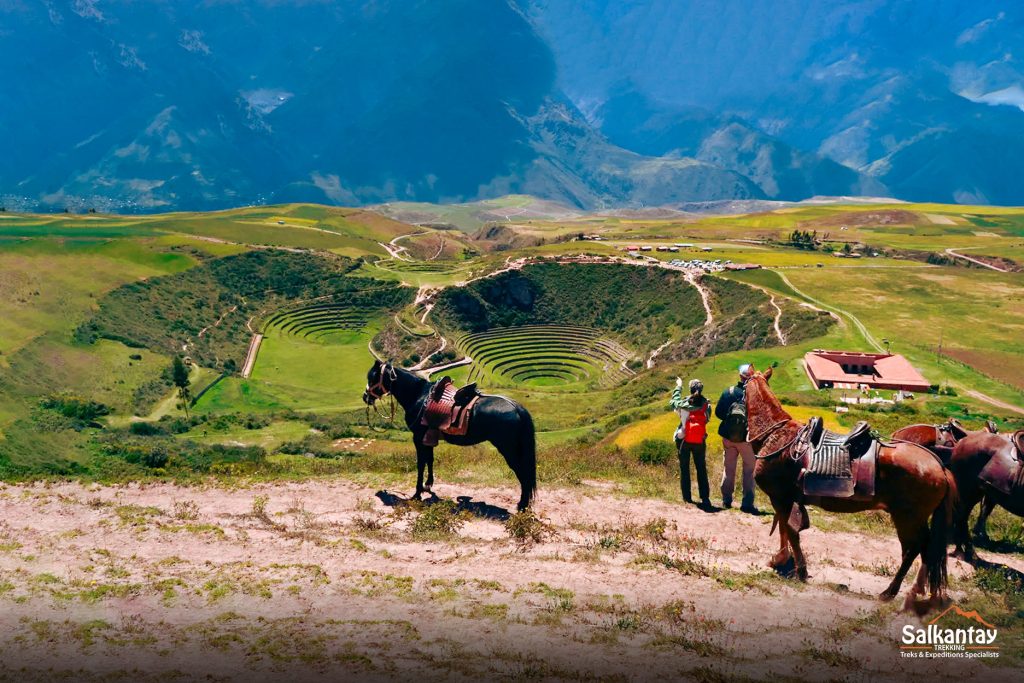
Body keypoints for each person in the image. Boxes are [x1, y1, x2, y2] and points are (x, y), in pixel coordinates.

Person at [715, 364, 758, 513]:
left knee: (729, 468)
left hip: (728, 437)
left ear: (740, 376)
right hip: (747, 439)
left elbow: (718, 413)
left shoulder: (729, 392)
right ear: (750, 377)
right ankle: (747, 503)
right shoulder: (755, 395)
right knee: (749, 470)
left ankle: (726, 500)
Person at [669, 377, 711, 508]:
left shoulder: (683, 404)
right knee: (701, 469)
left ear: (690, 389)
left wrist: (678, 386)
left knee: (684, 469)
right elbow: (707, 420)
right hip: (699, 440)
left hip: (684, 440)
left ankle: (687, 498)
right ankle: (705, 498)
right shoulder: (706, 405)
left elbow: (673, 402)